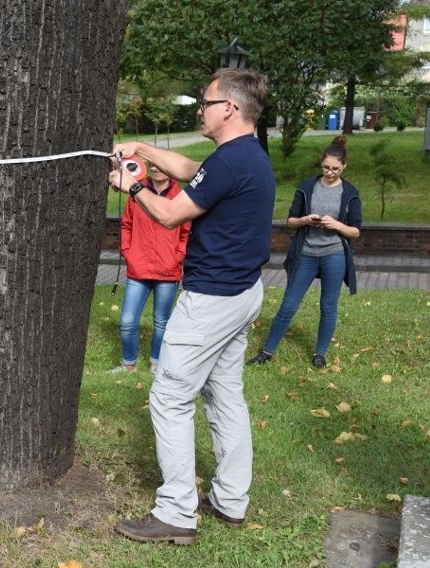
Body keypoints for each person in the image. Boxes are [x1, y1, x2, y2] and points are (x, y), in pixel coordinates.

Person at [108, 68, 274, 545]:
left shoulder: (230, 161)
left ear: (229, 108)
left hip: (211, 301)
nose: (200, 110)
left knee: (170, 397)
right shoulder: (245, 156)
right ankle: (230, 499)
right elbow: (190, 171)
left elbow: (169, 214)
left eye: (205, 102)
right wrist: (139, 150)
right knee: (225, 396)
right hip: (242, 294)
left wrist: (132, 186)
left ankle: (178, 511)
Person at [248, 136, 362, 369]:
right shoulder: (307, 186)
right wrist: (305, 220)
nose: (330, 172)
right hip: (307, 253)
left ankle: (319, 354)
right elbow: (290, 221)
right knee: (288, 304)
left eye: (336, 169)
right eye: (326, 167)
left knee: (328, 305)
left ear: (344, 167)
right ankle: (267, 351)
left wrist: (337, 225)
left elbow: (355, 231)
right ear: (321, 164)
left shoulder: (350, 192)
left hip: (334, 255)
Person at [111, 165, 189, 374]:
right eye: (152, 165)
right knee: (127, 321)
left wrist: (177, 256)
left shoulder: (180, 197)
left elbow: (186, 232)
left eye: (161, 165)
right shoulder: (136, 193)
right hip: (139, 268)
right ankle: (129, 364)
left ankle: (157, 363)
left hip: (168, 269)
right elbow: (126, 224)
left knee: (161, 322)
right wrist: (127, 251)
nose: (156, 168)